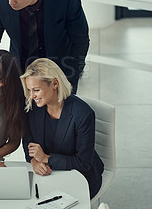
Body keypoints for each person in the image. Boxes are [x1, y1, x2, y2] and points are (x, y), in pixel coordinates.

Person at [20, 58, 104, 199]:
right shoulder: (33, 107)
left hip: (81, 177)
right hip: (49, 175)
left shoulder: (83, 113)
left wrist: (46, 158)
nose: (32, 95)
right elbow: (28, 140)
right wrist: (34, 161)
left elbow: (84, 162)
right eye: (29, 90)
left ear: (54, 83)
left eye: (36, 90)